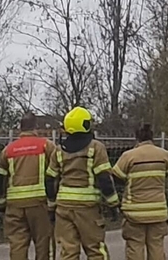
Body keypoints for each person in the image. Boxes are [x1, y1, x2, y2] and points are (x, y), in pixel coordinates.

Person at [55, 107, 119, 260]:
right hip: (87, 208)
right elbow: (104, 178)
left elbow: (50, 179)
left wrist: (52, 206)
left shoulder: (59, 150)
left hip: (63, 208)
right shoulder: (96, 147)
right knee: (95, 250)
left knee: (68, 252)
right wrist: (113, 204)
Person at [0, 115, 60, 260]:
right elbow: (56, 172)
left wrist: (1, 202)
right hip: (40, 203)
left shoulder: (8, 150)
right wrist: (53, 201)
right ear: (35, 127)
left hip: (14, 205)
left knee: (17, 244)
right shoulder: (46, 146)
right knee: (44, 242)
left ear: (20, 128)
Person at [112, 124, 168, 260]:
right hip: (158, 211)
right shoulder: (164, 155)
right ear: (152, 137)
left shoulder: (128, 156)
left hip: (134, 211)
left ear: (136, 138)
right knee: (156, 246)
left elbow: (116, 176)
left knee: (135, 246)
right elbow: (167, 174)